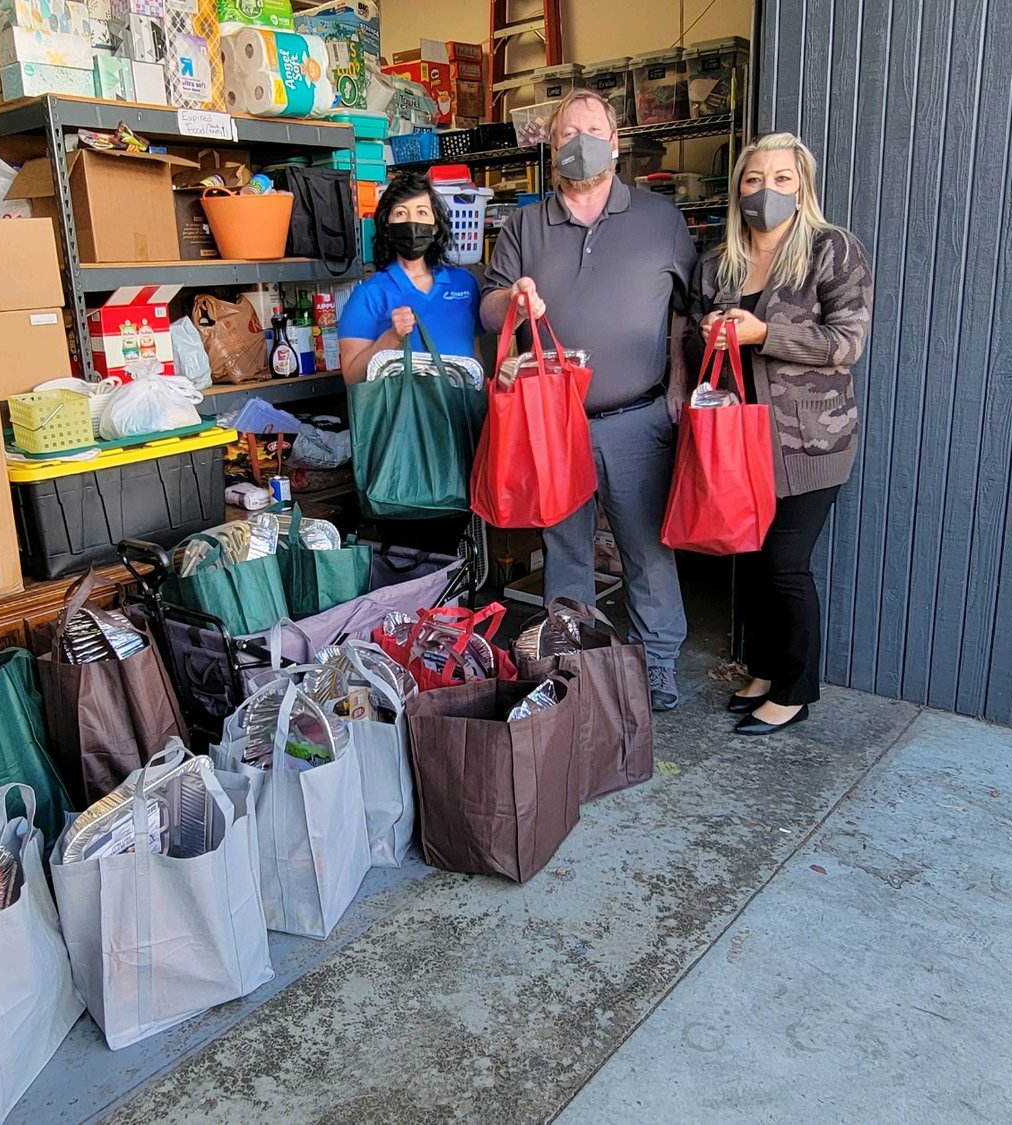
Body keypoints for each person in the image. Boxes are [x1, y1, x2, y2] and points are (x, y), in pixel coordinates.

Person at [481, 88, 699, 711]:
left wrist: (678, 385)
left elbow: (684, 312)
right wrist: (514, 297)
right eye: (567, 132)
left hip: (638, 419)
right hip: (554, 424)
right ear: (553, 147)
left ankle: (657, 666)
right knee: (567, 550)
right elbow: (491, 305)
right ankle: (569, 665)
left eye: (592, 128)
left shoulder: (659, 220)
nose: (581, 141)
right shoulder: (524, 225)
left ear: (616, 140)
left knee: (647, 551)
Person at [686, 132, 874, 735]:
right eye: (754, 179)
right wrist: (709, 332)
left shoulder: (831, 250)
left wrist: (763, 334)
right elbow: (692, 335)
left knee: (786, 565)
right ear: (738, 187)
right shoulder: (719, 262)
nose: (767, 191)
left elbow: (847, 344)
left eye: (782, 179)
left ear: (804, 187)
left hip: (809, 442)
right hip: (736, 440)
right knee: (752, 560)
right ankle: (764, 670)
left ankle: (794, 689)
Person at [335, 174, 480, 382]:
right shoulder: (368, 295)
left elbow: (475, 358)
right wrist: (391, 338)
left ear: (435, 226)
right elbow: (352, 376)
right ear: (387, 227)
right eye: (401, 213)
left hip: (463, 410)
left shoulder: (465, 284)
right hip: (404, 413)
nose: (412, 222)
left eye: (422, 212)